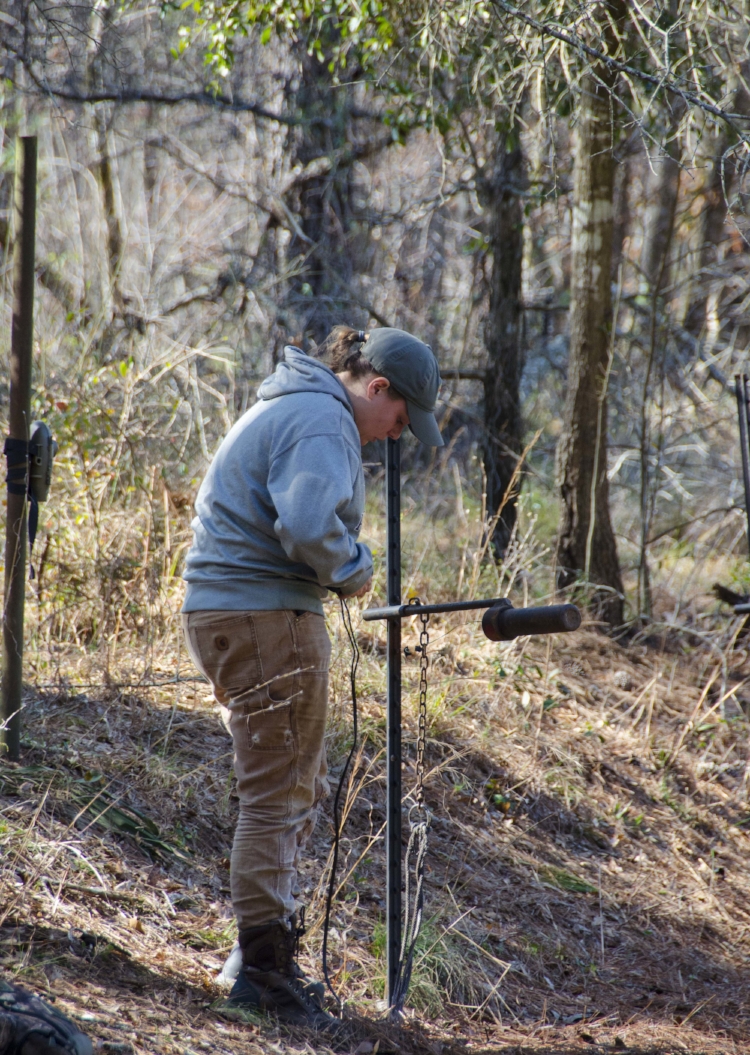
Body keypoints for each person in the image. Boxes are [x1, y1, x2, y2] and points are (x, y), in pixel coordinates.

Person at [182, 326, 443, 1027]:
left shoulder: (295, 404)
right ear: (377, 386)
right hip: (265, 613)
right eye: (398, 420)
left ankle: (256, 959)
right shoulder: (324, 419)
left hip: (235, 608)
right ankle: (264, 978)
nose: (394, 437)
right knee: (279, 791)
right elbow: (305, 525)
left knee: (287, 781)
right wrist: (356, 568)